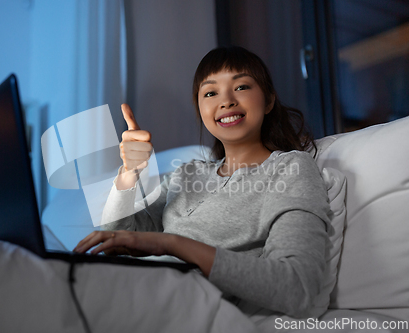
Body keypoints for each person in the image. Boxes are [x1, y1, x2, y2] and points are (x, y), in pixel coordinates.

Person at [74, 46, 331, 319]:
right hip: (134, 284)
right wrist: (128, 173)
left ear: (268, 101)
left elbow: (297, 288)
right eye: (210, 93)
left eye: (241, 86)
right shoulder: (186, 174)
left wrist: (172, 244)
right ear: (200, 109)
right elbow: (116, 237)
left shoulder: (291, 168)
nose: (227, 100)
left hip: (184, 303)